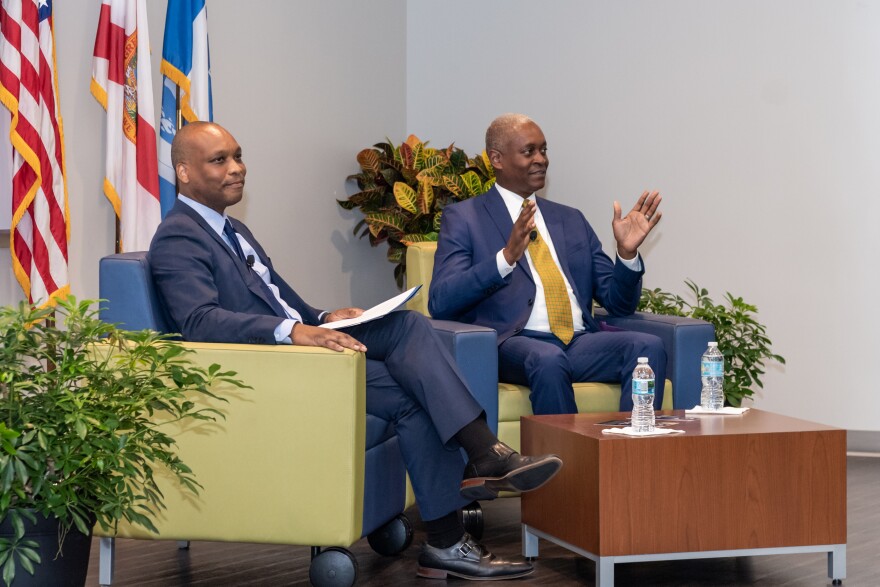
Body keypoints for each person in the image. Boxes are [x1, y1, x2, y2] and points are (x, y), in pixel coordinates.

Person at [148, 121, 563, 581]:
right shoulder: (179, 235)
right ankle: (484, 456)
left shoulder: (233, 229)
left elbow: (287, 304)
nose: (237, 168)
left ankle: (448, 540)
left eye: (238, 155)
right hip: (271, 369)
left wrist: (325, 318)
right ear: (183, 172)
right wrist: (295, 332)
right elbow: (199, 322)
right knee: (410, 347)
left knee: (411, 353)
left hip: (297, 350)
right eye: (219, 160)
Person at [428, 113, 667, 415]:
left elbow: (618, 303)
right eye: (529, 152)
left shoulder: (570, 219)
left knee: (648, 347)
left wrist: (627, 255)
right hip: (512, 342)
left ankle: (630, 455)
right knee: (548, 358)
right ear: (497, 159)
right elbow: (441, 301)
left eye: (544, 150)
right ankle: (566, 461)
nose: (541, 159)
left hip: (578, 342)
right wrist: (505, 258)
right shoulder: (465, 218)